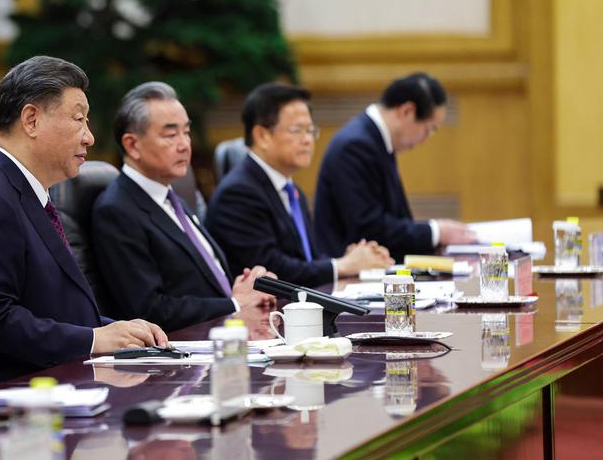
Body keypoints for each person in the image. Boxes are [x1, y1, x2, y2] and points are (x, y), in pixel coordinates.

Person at [0, 56, 168, 390]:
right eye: (79, 119)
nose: (89, 137)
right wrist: (93, 339)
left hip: (49, 389)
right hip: (0, 406)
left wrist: (122, 332)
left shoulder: (24, 192)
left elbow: (49, 310)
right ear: (31, 120)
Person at [92, 82, 274, 332]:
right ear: (132, 145)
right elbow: (150, 310)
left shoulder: (173, 196)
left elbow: (203, 281)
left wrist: (249, 286)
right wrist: (233, 303)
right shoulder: (116, 210)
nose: (184, 144)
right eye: (170, 135)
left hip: (228, 333)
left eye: (186, 132)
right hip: (183, 357)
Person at [206, 83, 392, 287]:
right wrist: (342, 265)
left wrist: (353, 258)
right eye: (297, 130)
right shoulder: (238, 194)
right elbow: (271, 271)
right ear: (262, 136)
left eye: (311, 130)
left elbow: (306, 260)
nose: (307, 140)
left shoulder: (290, 189)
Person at [314, 73, 476, 259]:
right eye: (428, 129)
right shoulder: (356, 146)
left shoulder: (374, 140)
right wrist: (436, 232)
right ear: (407, 111)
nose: (425, 140)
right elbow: (369, 229)